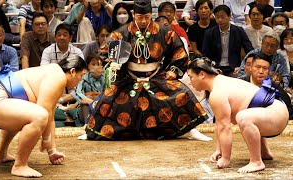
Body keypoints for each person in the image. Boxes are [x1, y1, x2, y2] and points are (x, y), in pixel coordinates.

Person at [85, 0, 208, 140]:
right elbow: (105, 53)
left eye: (147, 17)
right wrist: (112, 65)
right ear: (133, 14)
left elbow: (179, 52)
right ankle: (93, 131)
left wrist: (173, 70)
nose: (143, 21)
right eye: (139, 17)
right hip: (128, 77)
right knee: (108, 97)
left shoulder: (164, 31)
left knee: (181, 93)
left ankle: (190, 130)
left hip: (156, 76)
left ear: (151, 14)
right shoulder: (121, 33)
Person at [0, 54, 87, 177]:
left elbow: (50, 114)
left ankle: (1, 154)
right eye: (81, 76)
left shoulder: (53, 71)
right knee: (39, 115)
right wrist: (47, 141)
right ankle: (20, 166)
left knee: (26, 114)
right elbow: (43, 113)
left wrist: (52, 149)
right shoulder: (58, 77)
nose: (80, 81)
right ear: (72, 71)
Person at [187, 57, 289, 173]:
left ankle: (256, 162)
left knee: (243, 117)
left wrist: (225, 158)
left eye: (191, 77)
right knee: (249, 113)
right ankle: (264, 152)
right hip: (275, 112)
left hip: (276, 114)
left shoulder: (217, 92)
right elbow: (220, 124)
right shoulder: (220, 82)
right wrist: (218, 150)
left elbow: (225, 127)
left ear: (202, 74)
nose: (190, 81)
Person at [202, 5, 254, 77]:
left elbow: (249, 50)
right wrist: (210, 69)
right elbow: (205, 54)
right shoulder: (209, 33)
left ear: (229, 16)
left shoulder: (239, 31)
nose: (220, 20)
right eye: (217, 17)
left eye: (223, 17)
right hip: (215, 67)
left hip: (234, 68)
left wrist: (242, 66)